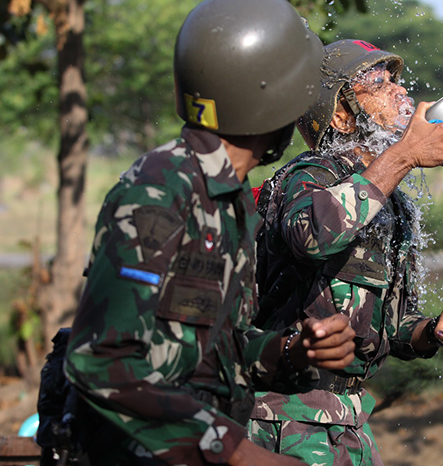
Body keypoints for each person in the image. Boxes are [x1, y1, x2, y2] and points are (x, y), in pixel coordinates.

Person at [62, 1, 356, 465]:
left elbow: (217, 351)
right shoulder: (161, 189)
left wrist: (291, 351)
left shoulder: (228, 196)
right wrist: (237, 452)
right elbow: (104, 361)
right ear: (271, 99)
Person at [249, 39, 443, 465]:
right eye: (378, 84)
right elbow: (312, 235)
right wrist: (405, 155)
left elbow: (395, 326)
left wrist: (433, 329)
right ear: (340, 115)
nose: (399, 91)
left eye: (395, 79)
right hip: (285, 420)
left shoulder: (392, 202)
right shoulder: (307, 176)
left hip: (352, 423)